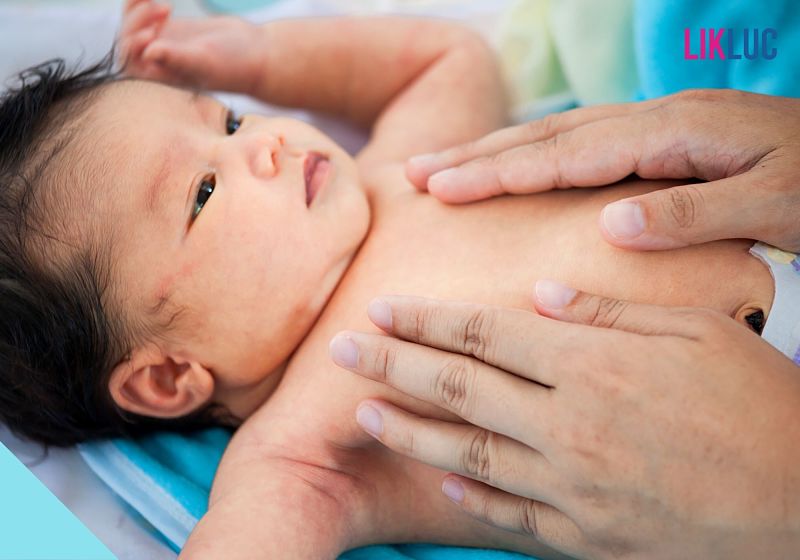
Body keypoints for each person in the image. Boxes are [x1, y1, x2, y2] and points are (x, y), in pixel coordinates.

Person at [0, 1, 790, 559]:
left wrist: (260, 57)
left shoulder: (397, 175)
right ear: (169, 373)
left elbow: (449, 57)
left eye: (231, 121)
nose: (264, 145)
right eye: (203, 193)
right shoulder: (297, 453)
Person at [331, 83, 800, 557]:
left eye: (248, 119)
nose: (262, 143)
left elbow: (437, 59)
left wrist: (261, 57)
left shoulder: (385, 178)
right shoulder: (286, 443)